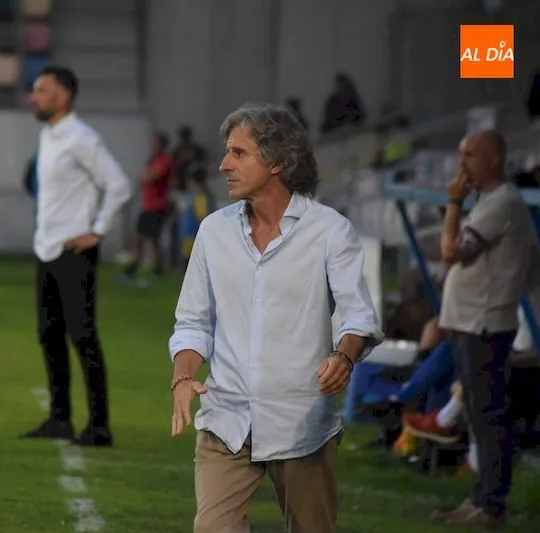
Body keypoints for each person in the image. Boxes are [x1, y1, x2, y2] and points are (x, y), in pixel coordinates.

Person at [168, 103, 383, 533]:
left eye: (239, 153)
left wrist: (344, 357)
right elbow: (192, 322)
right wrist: (182, 376)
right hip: (225, 420)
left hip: (302, 425)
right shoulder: (212, 231)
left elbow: (357, 314)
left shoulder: (330, 231)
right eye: (226, 152)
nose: (224, 164)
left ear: (280, 161)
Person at [431, 130, 538, 526]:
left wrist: (453, 203)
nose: (462, 165)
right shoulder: (490, 201)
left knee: (489, 416)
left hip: (485, 324)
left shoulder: (503, 203)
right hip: (467, 322)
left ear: (492, 159)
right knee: (478, 415)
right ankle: (480, 498)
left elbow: (450, 250)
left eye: (470, 155)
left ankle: (492, 505)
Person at [22, 66, 131, 447]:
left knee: (83, 336)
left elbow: (118, 185)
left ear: (62, 96)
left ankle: (99, 425)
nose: (33, 96)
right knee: (49, 334)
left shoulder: (83, 138)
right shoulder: (48, 135)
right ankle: (60, 418)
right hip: (46, 249)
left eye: (41, 89)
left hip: (74, 252)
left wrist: (97, 231)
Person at [121, 131, 173, 281]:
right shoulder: (152, 160)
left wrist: (147, 175)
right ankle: (157, 269)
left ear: (162, 145)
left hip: (157, 206)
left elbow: (150, 178)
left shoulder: (165, 161)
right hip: (148, 205)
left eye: (156, 144)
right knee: (150, 239)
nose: (153, 147)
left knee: (142, 238)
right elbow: (142, 178)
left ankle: (132, 269)